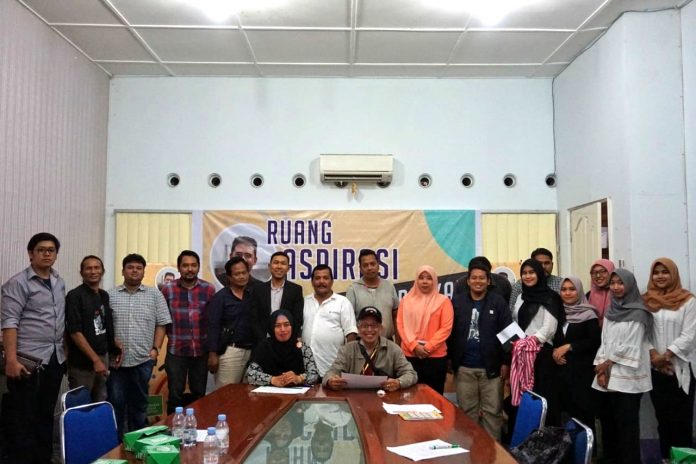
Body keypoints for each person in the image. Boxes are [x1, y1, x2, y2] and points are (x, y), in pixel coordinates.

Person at [0, 233, 67, 463]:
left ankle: (43, 459)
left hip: (54, 358)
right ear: (31, 253)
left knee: (46, 414)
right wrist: (10, 360)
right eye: (41, 250)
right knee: (23, 418)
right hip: (26, 361)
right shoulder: (18, 283)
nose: (47, 254)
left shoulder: (58, 281)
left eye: (51, 250)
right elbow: (9, 322)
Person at [593, 269, 652, 464]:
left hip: (629, 377)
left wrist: (606, 364)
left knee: (628, 426)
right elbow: (604, 342)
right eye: (613, 283)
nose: (616, 287)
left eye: (621, 283)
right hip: (608, 376)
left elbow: (631, 344)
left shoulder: (639, 312)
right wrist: (601, 370)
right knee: (610, 424)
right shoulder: (611, 311)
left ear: (630, 285)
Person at [108, 253, 172, 435]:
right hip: (116, 362)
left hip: (143, 360)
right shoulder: (110, 295)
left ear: (144, 272)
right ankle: (117, 443)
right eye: (130, 267)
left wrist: (155, 350)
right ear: (123, 271)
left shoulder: (155, 295)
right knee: (116, 403)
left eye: (138, 268)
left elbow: (162, 323)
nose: (134, 271)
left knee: (139, 405)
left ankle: (137, 441)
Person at [448, 260, 512, 441]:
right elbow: (449, 332)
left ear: (488, 281)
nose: (478, 281)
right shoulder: (457, 302)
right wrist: (450, 359)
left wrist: (506, 361)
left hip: (492, 369)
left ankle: (494, 452)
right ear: (468, 281)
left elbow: (508, 333)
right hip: (464, 368)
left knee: (493, 413)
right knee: (467, 414)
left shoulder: (498, 302)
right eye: (474, 278)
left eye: (482, 278)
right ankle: (472, 453)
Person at [642, 258, 696, 460]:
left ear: (673, 274)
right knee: (663, 420)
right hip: (656, 370)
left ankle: (684, 461)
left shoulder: (688, 300)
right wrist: (654, 356)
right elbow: (642, 332)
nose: (660, 276)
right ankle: (666, 459)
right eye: (656, 272)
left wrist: (666, 356)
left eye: (665, 272)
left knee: (682, 421)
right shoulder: (645, 301)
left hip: (680, 369)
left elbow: (690, 335)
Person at [161, 250, 216, 413]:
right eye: (185, 265)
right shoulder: (168, 289)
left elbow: (214, 321)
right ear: (179, 268)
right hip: (176, 351)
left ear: (198, 267)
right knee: (175, 396)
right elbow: (161, 320)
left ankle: (197, 425)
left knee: (199, 395)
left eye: (193, 265)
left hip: (201, 351)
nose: (190, 269)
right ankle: (173, 426)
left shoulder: (209, 289)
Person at [511, 258, 564, 425]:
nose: (528, 276)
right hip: (521, 353)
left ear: (539, 274)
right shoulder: (520, 297)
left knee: (542, 396)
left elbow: (550, 327)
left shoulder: (551, 297)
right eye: (524, 273)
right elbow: (515, 321)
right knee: (524, 396)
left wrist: (531, 341)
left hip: (542, 354)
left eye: (531, 272)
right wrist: (514, 342)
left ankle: (544, 436)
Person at [65, 255, 122, 402]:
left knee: (100, 403)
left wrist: (114, 346)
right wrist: (95, 359)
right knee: (81, 405)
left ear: (102, 271)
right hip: (82, 364)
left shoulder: (103, 295)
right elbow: (74, 332)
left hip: (103, 358)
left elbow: (103, 325)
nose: (93, 271)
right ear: (81, 272)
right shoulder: (75, 296)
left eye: (97, 268)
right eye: (88, 268)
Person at [324, 307, 417, 391]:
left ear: (380, 328)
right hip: (354, 397)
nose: (369, 330)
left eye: (374, 326)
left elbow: (411, 374)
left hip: (385, 397)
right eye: (365, 326)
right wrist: (330, 381)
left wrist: (399, 383)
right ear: (358, 328)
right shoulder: (347, 350)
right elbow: (330, 373)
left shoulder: (393, 349)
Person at [396, 265, 454, 394]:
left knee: (434, 397)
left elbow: (446, 328)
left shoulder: (444, 301)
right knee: (410, 396)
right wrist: (414, 346)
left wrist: (428, 347)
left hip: (435, 357)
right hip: (410, 355)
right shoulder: (406, 301)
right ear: (416, 280)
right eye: (421, 278)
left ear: (435, 280)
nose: (425, 281)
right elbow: (401, 325)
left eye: (429, 278)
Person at [552, 276, 600, 430]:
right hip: (562, 373)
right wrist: (555, 352)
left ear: (579, 291)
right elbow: (553, 339)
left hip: (582, 374)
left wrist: (570, 346)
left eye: (572, 289)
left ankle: (587, 446)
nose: (567, 293)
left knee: (584, 416)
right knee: (566, 417)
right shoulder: (557, 313)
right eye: (564, 289)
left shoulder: (589, 314)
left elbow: (595, 342)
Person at [207, 256, 257, 388]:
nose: (242, 276)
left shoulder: (254, 295)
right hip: (230, 352)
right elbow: (213, 326)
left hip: (252, 352)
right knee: (226, 394)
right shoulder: (220, 298)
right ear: (229, 277)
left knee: (247, 394)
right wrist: (212, 354)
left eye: (244, 272)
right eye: (237, 274)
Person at [302, 265, 358, 378]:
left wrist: (348, 363)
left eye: (325, 278)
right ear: (312, 282)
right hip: (305, 369)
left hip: (333, 368)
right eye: (317, 278)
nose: (321, 281)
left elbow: (351, 334)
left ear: (332, 281)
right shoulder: (305, 301)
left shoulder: (343, 302)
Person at [247, 310, 319, 386]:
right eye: (277, 326)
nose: (283, 329)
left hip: (298, 392)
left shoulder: (302, 348)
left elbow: (314, 375)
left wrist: (299, 378)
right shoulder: (264, 347)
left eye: (286, 325)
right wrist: (272, 380)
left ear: (292, 326)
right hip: (268, 392)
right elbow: (250, 374)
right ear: (272, 328)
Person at [346, 249, 400, 341]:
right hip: (362, 344)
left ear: (378, 265)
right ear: (360, 268)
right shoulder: (353, 289)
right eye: (365, 265)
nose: (369, 268)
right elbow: (348, 322)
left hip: (387, 343)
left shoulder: (389, 287)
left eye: (372, 264)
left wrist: (398, 343)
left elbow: (396, 317)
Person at [251, 251, 304, 342]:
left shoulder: (295, 290)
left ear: (288, 268)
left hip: (286, 342)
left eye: (283, 263)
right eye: (276, 262)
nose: (279, 266)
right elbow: (254, 319)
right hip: (262, 342)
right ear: (269, 266)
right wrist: (263, 341)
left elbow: (297, 320)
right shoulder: (258, 289)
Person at [588, 259, 616, 326]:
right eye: (594, 272)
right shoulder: (587, 296)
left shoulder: (619, 294)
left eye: (602, 271)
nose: (598, 276)